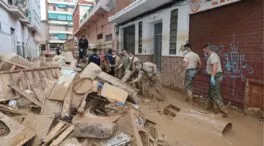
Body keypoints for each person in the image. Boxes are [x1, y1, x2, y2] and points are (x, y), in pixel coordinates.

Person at [203, 44, 227, 118]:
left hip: (216, 76)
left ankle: (224, 110)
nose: (204, 51)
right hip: (214, 75)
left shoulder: (213, 55)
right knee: (211, 92)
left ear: (207, 49)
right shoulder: (211, 56)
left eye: (204, 50)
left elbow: (215, 66)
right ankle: (211, 108)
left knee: (215, 93)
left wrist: (213, 76)